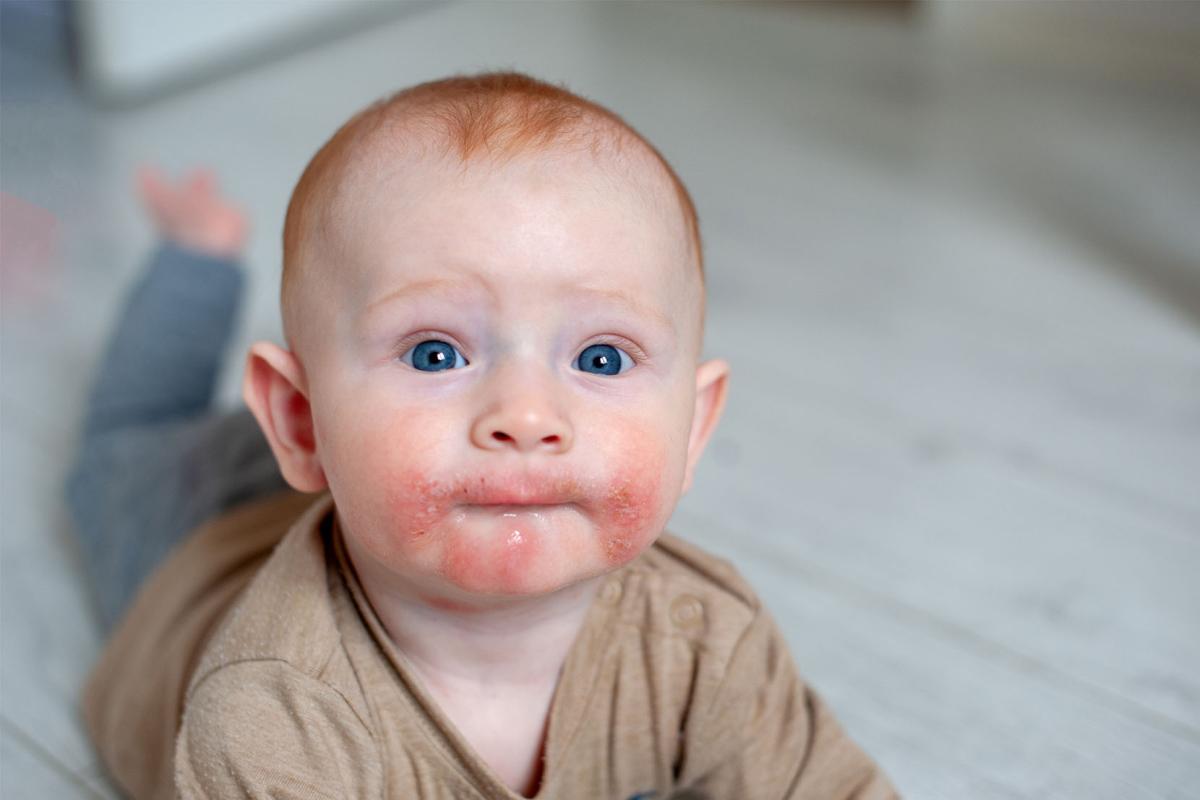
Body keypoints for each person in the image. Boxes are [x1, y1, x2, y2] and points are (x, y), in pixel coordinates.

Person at [66, 71, 900, 800]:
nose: (527, 417)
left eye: (602, 356)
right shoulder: (270, 717)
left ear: (694, 428)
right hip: (187, 548)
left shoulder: (702, 642)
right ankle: (196, 258)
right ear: (298, 418)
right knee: (127, 440)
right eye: (436, 351)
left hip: (368, 478)